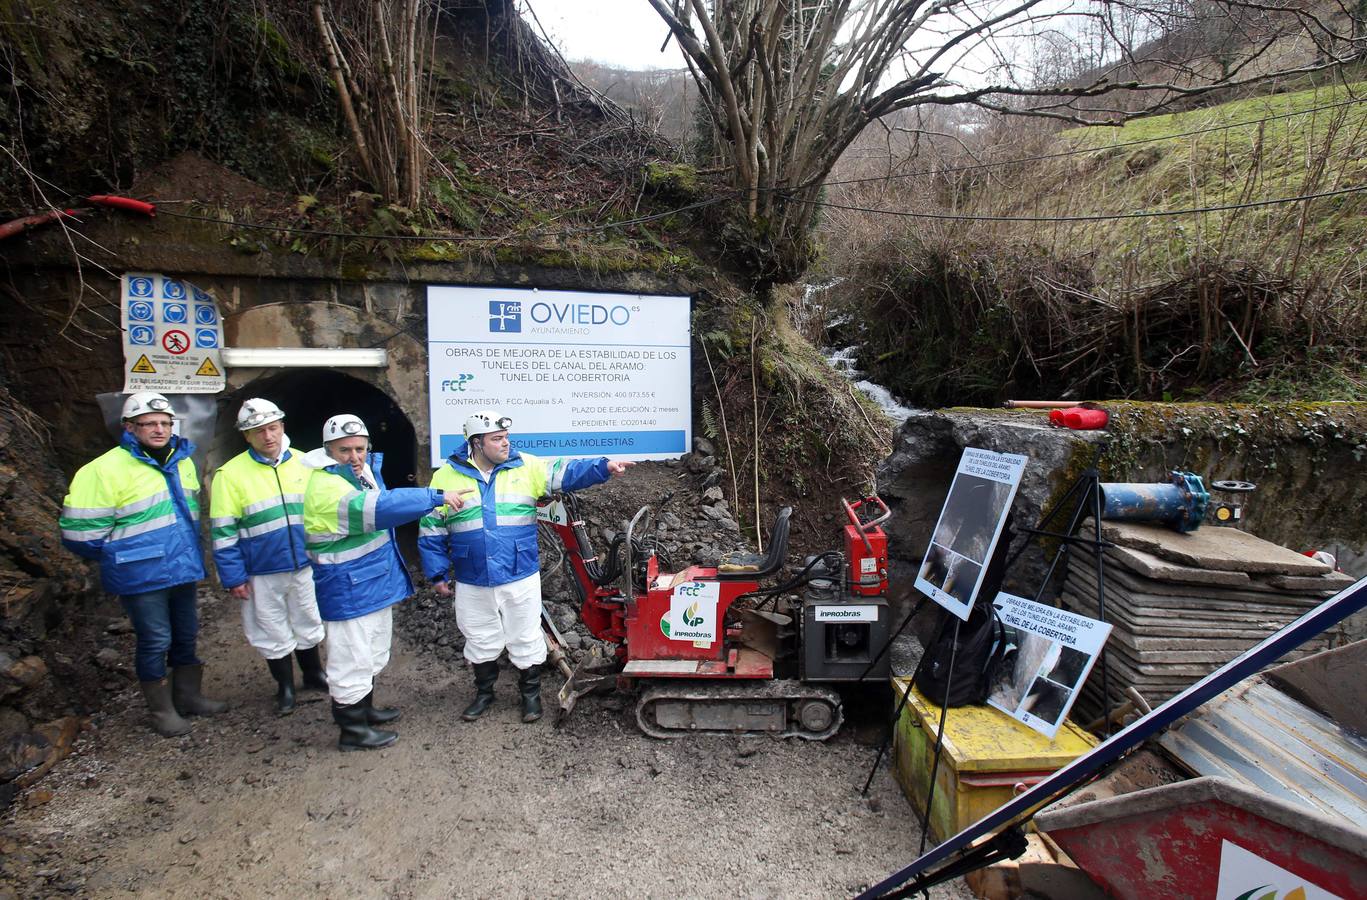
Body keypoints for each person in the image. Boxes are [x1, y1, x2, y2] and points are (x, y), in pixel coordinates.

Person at [418, 410, 632, 724]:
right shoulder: (446, 477)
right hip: (472, 577)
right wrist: (436, 572)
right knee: (478, 636)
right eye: (497, 439)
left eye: (506, 438)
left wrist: (603, 468)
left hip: (519, 573)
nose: (505, 444)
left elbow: (566, 472)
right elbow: (431, 528)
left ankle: (530, 695)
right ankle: (484, 693)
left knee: (526, 635)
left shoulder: (526, 466)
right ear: (476, 443)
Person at [59, 391, 228, 737]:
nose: (159, 429)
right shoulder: (103, 470)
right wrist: (121, 556)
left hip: (179, 566)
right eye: (149, 423)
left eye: (165, 423)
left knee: (186, 634)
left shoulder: (181, 460)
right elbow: (78, 533)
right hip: (140, 573)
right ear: (130, 428)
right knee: (155, 639)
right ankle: (161, 710)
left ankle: (187, 695)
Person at [302, 413, 456, 751]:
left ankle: (365, 710)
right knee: (350, 657)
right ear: (328, 450)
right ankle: (352, 730)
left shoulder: (358, 475)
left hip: (368, 581)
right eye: (345, 450)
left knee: (371, 651)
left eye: (360, 448)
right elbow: (379, 509)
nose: (355, 457)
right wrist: (433, 496)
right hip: (347, 587)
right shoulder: (327, 487)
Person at [210, 398, 327, 715]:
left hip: (306, 562)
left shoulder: (307, 464)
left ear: (282, 427)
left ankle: (314, 674)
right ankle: (285, 686)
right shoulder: (230, 475)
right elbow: (223, 531)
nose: (268, 436)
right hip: (261, 568)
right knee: (270, 626)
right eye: (258, 431)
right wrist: (233, 576)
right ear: (246, 436)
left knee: (308, 617)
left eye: (272, 428)